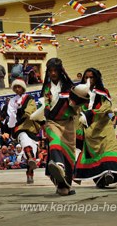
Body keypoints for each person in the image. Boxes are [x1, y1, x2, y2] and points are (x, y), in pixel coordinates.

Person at [33, 57, 78, 196]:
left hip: (68, 124)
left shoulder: (69, 87)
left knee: (69, 155)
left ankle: (64, 185)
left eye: (55, 70)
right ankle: (58, 165)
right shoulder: (46, 88)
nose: (53, 73)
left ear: (60, 71)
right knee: (55, 144)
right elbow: (44, 105)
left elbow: (77, 105)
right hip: (52, 122)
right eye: (50, 71)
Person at [73, 68, 117, 188]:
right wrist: (79, 129)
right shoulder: (80, 94)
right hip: (89, 130)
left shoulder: (103, 92)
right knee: (94, 155)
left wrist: (110, 118)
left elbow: (107, 108)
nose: (89, 80)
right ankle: (100, 179)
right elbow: (78, 113)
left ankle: (109, 172)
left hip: (104, 127)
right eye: (86, 77)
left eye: (92, 77)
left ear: (96, 79)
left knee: (109, 148)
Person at [4, 78, 39, 184]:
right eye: (15, 87)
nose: (17, 89)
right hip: (19, 127)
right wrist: (11, 125)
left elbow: (32, 111)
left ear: (23, 87)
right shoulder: (12, 101)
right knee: (25, 141)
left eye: (19, 86)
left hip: (31, 126)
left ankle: (30, 172)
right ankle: (30, 159)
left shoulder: (30, 98)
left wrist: (23, 111)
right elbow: (11, 114)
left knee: (33, 149)